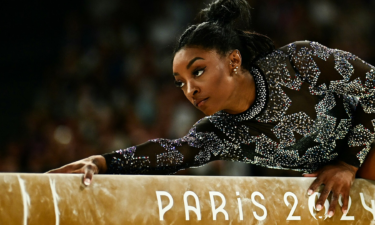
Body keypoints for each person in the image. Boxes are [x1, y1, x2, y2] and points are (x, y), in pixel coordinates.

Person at [48, 0, 375, 218]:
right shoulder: (221, 134)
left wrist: (348, 162)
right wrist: (103, 162)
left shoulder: (299, 62)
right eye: (180, 82)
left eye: (198, 71)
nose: (190, 90)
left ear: (233, 61)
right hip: (341, 175)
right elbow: (171, 153)